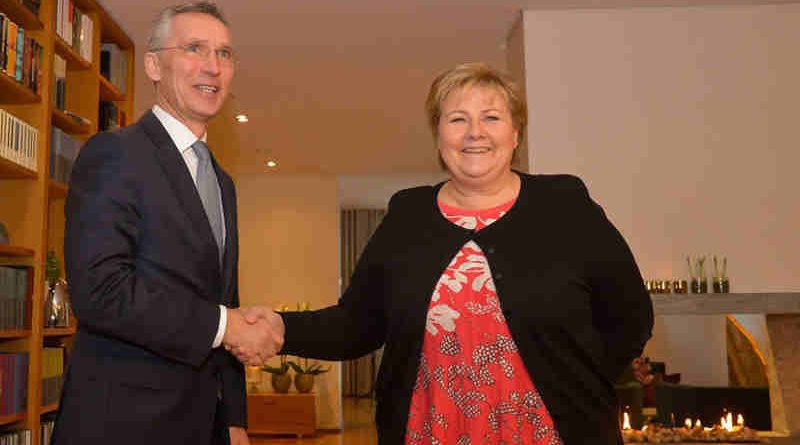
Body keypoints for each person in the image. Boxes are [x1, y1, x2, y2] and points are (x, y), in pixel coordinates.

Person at [238, 62, 653, 444]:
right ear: (439, 137)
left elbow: (630, 317)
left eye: (491, 117)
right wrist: (279, 328)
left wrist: (578, 379)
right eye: (458, 119)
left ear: (516, 134)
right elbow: (357, 324)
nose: (476, 132)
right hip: (431, 431)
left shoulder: (565, 204)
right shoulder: (408, 215)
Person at [52, 3, 282, 444]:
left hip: (203, 425)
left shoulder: (223, 181)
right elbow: (100, 290)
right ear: (154, 65)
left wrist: (234, 418)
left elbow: (224, 299)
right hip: (122, 425)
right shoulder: (114, 154)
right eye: (195, 48)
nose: (212, 66)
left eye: (225, 54)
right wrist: (224, 326)